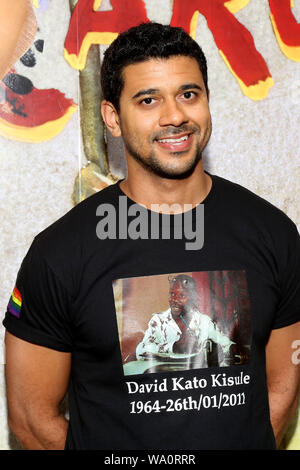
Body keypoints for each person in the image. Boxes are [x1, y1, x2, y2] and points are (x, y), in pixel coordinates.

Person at [3, 22, 300, 450]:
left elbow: (282, 383)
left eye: (188, 94)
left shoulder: (272, 234)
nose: (174, 115)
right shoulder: (61, 254)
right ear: (112, 118)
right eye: (148, 100)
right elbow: (31, 420)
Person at [136, 274, 234, 364]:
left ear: (192, 298)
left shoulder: (204, 322)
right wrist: (174, 346)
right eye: (172, 294)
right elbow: (140, 351)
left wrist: (233, 349)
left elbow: (227, 345)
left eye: (182, 296)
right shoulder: (158, 321)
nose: (174, 300)